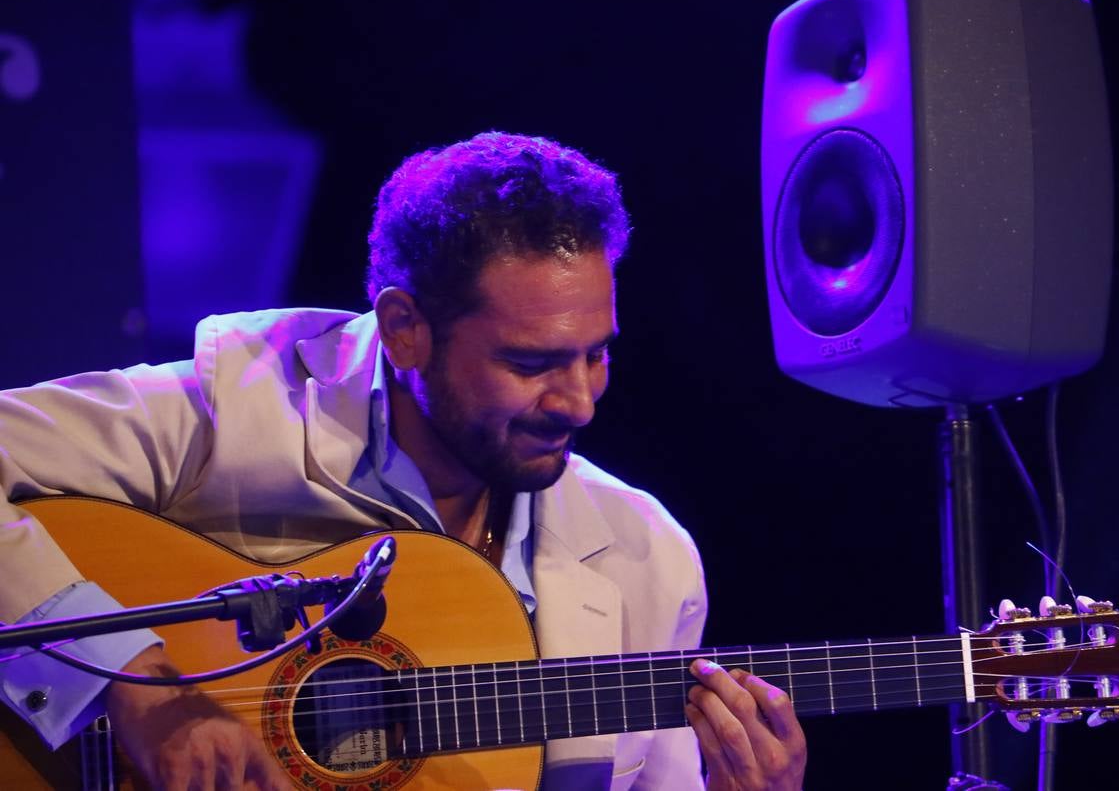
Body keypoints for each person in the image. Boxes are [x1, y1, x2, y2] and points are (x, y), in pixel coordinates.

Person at [0, 132, 807, 790]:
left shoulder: (647, 558)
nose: (579, 402)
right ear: (405, 329)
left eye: (596, 355)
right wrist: (139, 688)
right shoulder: (242, 398)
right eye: (531, 365)